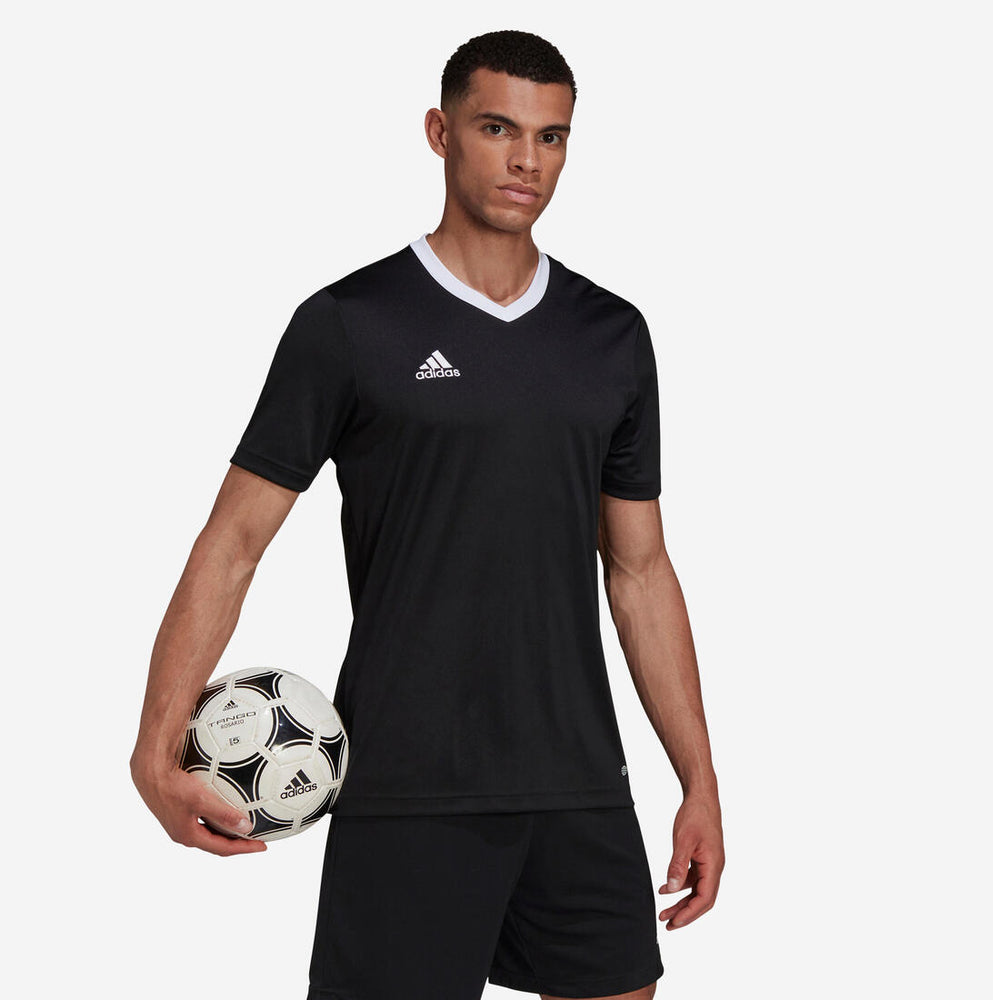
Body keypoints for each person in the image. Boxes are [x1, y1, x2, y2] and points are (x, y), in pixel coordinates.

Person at [130, 28, 724, 1000]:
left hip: (578, 782)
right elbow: (233, 542)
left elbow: (640, 569)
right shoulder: (350, 323)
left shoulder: (611, 335)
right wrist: (154, 745)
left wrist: (698, 778)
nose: (527, 159)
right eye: (497, 128)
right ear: (440, 133)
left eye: (551, 136)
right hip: (406, 782)